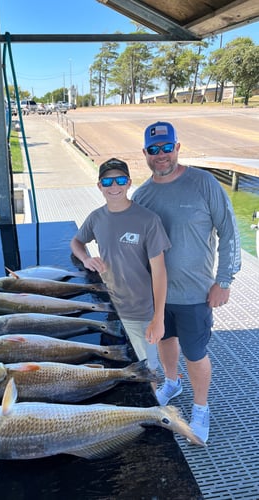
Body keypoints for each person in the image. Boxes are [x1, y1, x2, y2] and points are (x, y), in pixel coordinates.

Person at [132, 121, 241, 443]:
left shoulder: (204, 184)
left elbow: (230, 231)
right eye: (154, 150)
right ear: (146, 154)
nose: (161, 155)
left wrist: (224, 280)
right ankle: (171, 381)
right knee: (165, 340)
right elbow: (135, 246)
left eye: (167, 148)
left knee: (195, 353)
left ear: (177, 148)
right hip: (158, 294)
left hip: (196, 292)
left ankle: (201, 406)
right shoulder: (142, 195)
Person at [70, 157, 171, 373]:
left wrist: (158, 318)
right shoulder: (96, 218)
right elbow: (76, 242)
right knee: (115, 366)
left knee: (147, 371)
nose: (114, 186)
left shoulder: (148, 220)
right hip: (109, 308)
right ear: (99, 186)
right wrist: (87, 258)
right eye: (107, 182)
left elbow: (160, 272)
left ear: (128, 183)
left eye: (120, 180)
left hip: (141, 312)